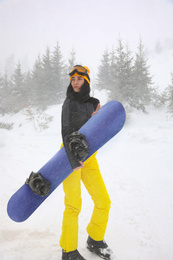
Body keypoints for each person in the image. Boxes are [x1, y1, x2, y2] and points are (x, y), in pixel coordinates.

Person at [60, 65, 114, 260]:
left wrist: (97, 120)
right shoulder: (69, 103)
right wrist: (74, 160)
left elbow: (98, 130)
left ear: (86, 81)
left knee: (103, 201)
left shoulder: (94, 103)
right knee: (73, 205)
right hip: (68, 157)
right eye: (73, 79)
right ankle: (68, 251)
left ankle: (95, 239)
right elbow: (66, 133)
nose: (75, 82)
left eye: (79, 79)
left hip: (89, 157)